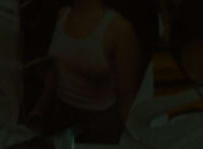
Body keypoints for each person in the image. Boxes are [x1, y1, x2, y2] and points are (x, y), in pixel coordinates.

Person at [35, 0, 138, 141]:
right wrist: (39, 109)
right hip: (60, 114)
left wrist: (134, 138)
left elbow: (126, 95)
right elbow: (56, 70)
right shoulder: (63, 14)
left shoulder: (119, 29)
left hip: (98, 123)